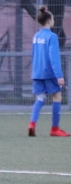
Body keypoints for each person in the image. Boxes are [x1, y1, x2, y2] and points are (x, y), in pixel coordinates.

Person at [29, 7, 68, 137]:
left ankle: (32, 125)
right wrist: (59, 76)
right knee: (57, 97)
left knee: (40, 98)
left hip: (37, 72)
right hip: (49, 73)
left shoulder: (36, 36)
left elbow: (34, 55)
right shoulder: (52, 36)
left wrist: (34, 71)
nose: (54, 21)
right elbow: (54, 57)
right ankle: (54, 129)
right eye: (53, 19)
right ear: (49, 21)